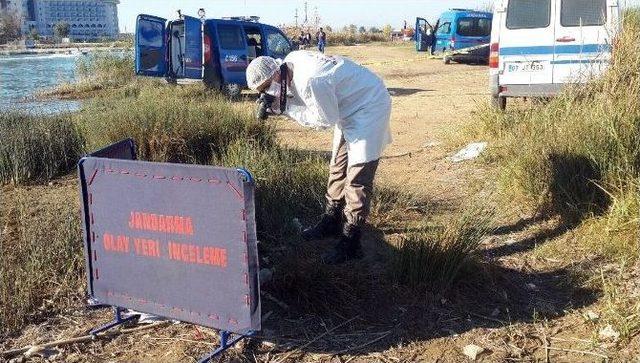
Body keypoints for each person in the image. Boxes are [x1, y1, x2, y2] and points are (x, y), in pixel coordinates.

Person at [246, 51, 392, 264]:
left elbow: (323, 120)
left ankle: (351, 239)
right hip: (346, 107)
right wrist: (281, 102)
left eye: (268, 86)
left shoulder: (311, 80)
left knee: (357, 178)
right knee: (337, 168)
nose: (268, 93)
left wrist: (285, 110)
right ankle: (331, 221)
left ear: (276, 72)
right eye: (262, 91)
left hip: (369, 105)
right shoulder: (290, 63)